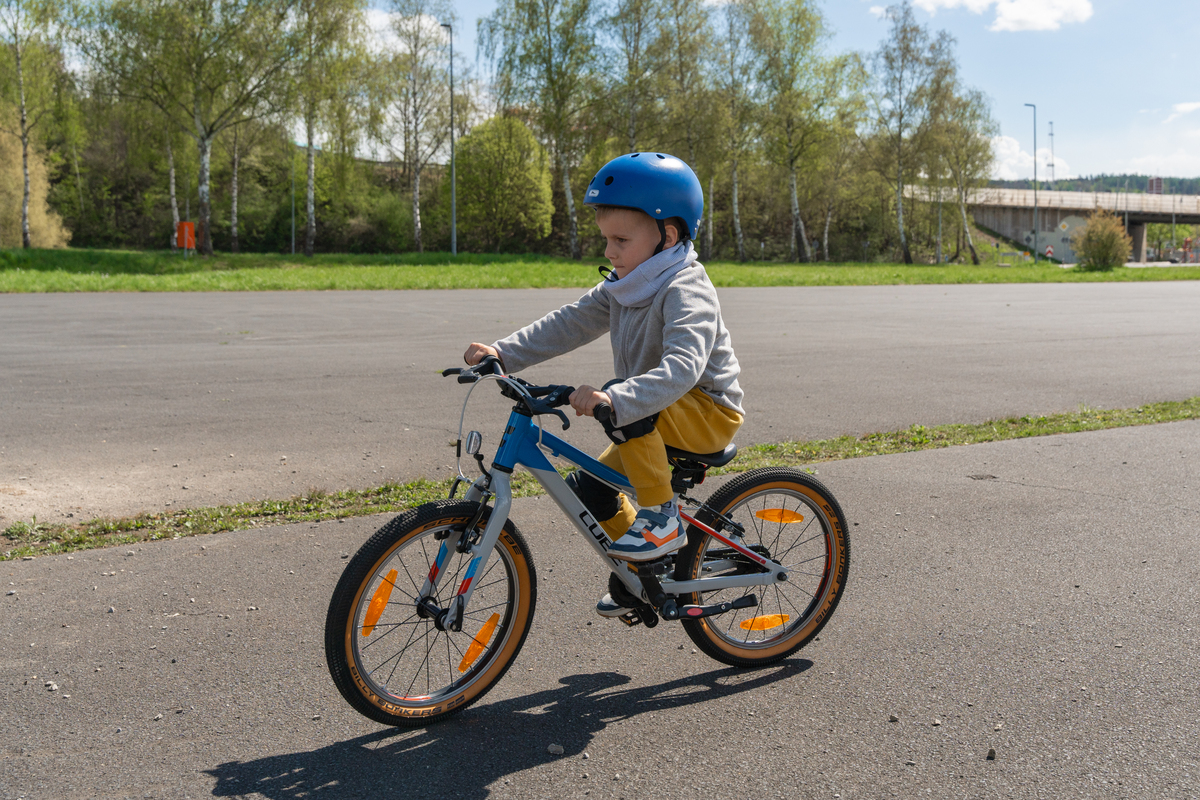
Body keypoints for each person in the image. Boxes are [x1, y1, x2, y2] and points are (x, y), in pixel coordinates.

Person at [463, 152, 744, 618]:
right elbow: (569, 322)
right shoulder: (626, 283)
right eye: (606, 239)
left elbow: (683, 367)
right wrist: (503, 353)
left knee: (628, 399)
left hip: (707, 412)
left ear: (668, 236)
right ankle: (646, 576)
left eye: (621, 240)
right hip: (653, 412)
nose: (610, 252)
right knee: (591, 489)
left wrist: (616, 397)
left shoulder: (685, 288)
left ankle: (661, 520)